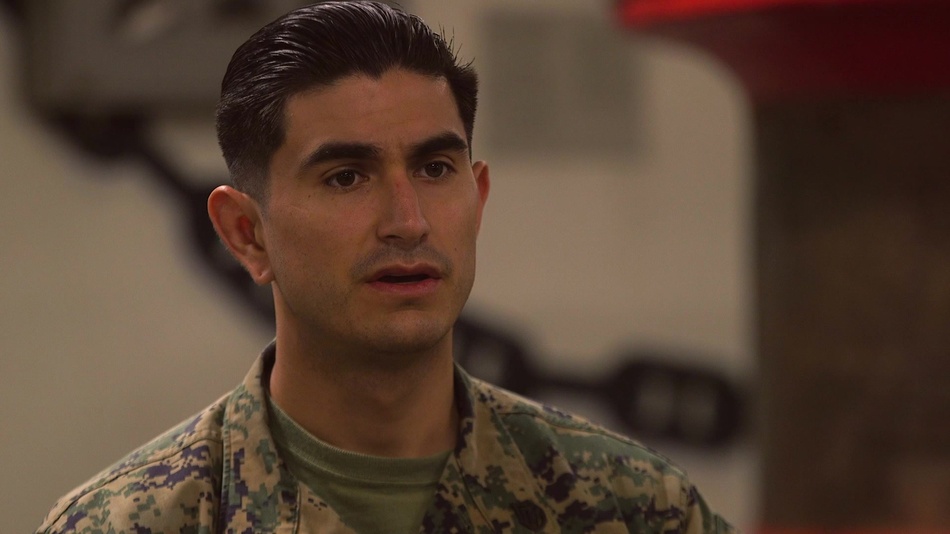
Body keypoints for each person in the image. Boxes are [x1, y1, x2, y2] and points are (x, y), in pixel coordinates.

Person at [37, 2, 736, 532]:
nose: (408, 220)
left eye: (435, 169)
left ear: (478, 198)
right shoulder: (133, 523)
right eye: (346, 177)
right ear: (246, 234)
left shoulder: (631, 509)